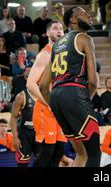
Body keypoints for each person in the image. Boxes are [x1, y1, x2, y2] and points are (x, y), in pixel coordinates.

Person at [39, 7, 101, 167]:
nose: (88, 14)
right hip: (75, 93)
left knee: (82, 153)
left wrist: (55, 106)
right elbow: (93, 81)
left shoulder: (56, 46)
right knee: (94, 153)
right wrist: (84, 101)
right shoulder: (84, 38)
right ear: (73, 20)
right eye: (83, 13)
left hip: (56, 99)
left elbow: (44, 87)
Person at [26, 21, 67, 167]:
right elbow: (30, 84)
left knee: (59, 150)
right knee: (47, 152)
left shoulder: (65, 54)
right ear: (48, 33)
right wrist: (48, 102)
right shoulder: (45, 54)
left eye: (61, 28)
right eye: (55, 28)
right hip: (46, 109)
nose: (59, 31)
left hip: (60, 109)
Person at [10, 68, 38, 167]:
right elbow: (13, 117)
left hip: (40, 134)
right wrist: (15, 137)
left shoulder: (45, 94)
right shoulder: (21, 96)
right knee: (22, 164)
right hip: (25, 135)